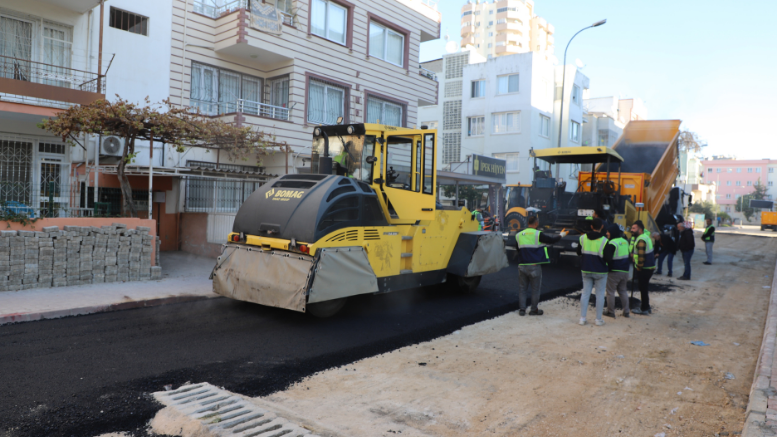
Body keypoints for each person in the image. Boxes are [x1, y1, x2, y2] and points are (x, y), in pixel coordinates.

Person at [515, 216, 567, 316]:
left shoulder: (519, 235)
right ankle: (534, 310)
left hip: (522, 265)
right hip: (534, 266)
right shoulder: (538, 234)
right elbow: (551, 240)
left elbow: (518, 249)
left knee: (522, 289)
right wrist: (561, 235)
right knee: (535, 289)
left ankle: (522, 309)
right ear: (536, 223)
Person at [576, 217, 611, 326]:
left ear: (591, 226)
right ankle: (598, 319)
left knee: (585, 293)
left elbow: (578, 252)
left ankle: (582, 318)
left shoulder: (582, 238)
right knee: (600, 294)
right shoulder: (605, 241)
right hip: (600, 271)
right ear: (602, 227)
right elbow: (608, 258)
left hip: (586, 269)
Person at [604, 224, 630, 319]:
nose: (607, 233)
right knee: (623, 291)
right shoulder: (625, 241)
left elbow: (608, 258)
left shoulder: (612, 243)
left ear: (612, 232)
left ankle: (610, 312)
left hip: (614, 271)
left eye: (608, 231)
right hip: (625, 271)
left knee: (610, 292)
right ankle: (626, 312)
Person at [630, 220, 656, 315]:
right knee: (644, 288)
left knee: (643, 288)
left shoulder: (641, 240)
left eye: (634, 228)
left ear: (640, 230)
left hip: (645, 268)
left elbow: (641, 256)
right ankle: (646, 307)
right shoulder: (645, 237)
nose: (631, 230)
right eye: (631, 228)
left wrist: (639, 267)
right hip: (649, 267)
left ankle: (644, 309)